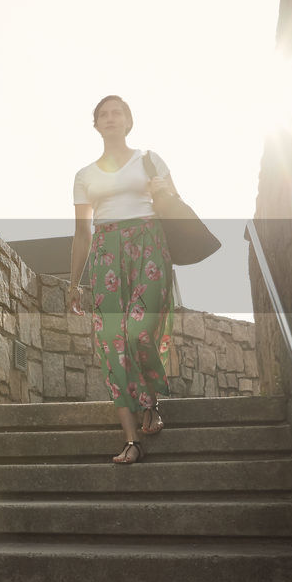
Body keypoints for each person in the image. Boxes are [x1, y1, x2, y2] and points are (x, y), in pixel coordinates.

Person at [69, 94, 176, 464]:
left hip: (147, 244)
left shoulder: (148, 159)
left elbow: (174, 201)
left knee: (137, 330)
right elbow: (82, 232)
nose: (111, 118)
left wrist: (164, 191)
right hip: (105, 254)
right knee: (112, 342)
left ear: (129, 121)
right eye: (103, 114)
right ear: (96, 124)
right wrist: (74, 283)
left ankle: (150, 402)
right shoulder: (84, 176)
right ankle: (132, 439)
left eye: (118, 113)